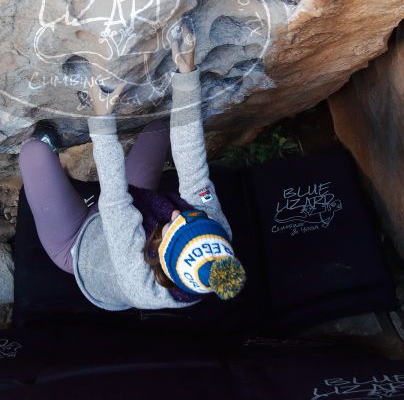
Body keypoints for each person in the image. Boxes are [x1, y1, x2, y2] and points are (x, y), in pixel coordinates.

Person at [18, 18, 245, 310]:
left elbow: (114, 202)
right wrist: (186, 72)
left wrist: (101, 116)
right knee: (159, 129)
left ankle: (51, 160)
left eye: (172, 228)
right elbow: (192, 163)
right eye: (191, 218)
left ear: (158, 255)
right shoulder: (214, 230)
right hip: (138, 209)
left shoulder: (139, 281)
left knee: (34, 153)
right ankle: (76, 189)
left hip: (78, 245)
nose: (177, 212)